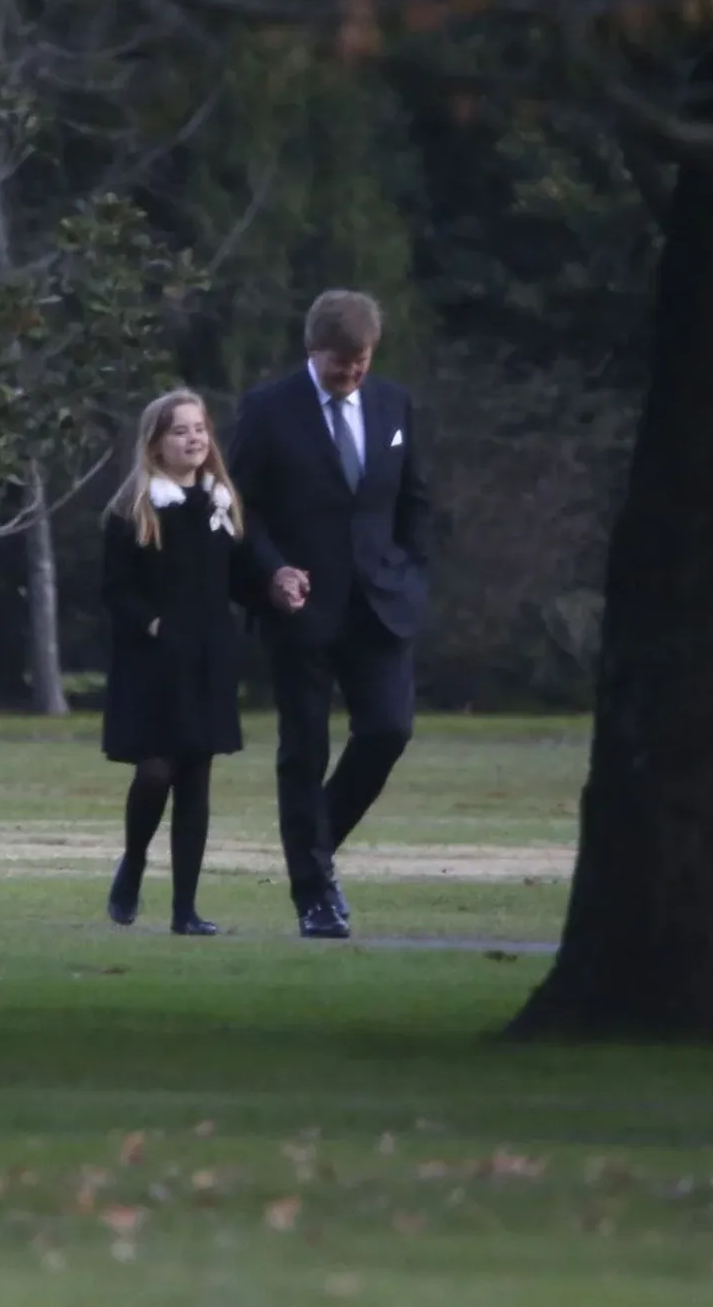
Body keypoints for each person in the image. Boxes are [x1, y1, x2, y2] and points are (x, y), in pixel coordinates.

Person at [229, 289, 430, 939]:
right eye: (341, 363)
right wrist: (272, 571)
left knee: (389, 730)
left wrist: (413, 573)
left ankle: (314, 847)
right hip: (303, 606)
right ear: (312, 351)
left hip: (380, 604)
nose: (353, 374)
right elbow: (242, 507)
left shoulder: (393, 403)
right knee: (304, 748)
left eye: (362, 361)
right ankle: (313, 891)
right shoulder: (266, 411)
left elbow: (413, 500)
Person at [101, 388, 250, 936]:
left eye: (200, 429)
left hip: (208, 659)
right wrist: (153, 623)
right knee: (155, 770)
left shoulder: (220, 504)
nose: (194, 438)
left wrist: (280, 583)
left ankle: (185, 910)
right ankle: (133, 862)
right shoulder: (134, 511)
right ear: (156, 444)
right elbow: (115, 591)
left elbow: (242, 572)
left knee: (195, 780)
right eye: (180, 430)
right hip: (154, 665)